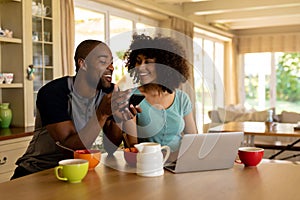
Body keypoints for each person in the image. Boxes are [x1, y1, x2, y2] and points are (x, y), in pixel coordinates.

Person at [11, 40, 139, 179]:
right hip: (39, 171)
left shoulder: (107, 92)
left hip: (82, 171)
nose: (111, 68)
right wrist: (101, 113)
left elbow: (111, 147)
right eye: (103, 62)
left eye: (111, 63)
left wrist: (118, 119)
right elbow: (71, 149)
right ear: (82, 64)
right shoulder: (53, 93)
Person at [123, 34, 198, 158]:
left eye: (148, 62)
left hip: (179, 164)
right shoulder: (131, 97)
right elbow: (133, 147)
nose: (141, 67)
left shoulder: (181, 98)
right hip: (149, 164)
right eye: (138, 61)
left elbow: (193, 138)